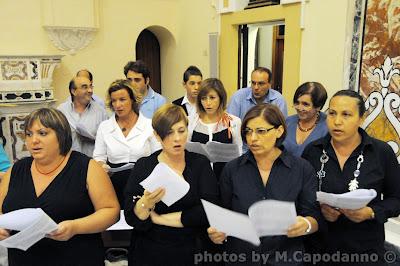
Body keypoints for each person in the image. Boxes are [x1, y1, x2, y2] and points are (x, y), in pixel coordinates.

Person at [0, 108, 119, 266]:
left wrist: (75, 227)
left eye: (42, 133)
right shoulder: (17, 169)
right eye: (29, 134)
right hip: (23, 259)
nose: (33, 140)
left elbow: (111, 211)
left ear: (61, 135)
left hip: (76, 257)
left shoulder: (87, 167)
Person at [208, 104, 321, 266]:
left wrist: (306, 224)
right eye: (248, 131)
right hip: (242, 258)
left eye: (261, 131)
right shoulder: (232, 169)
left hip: (285, 258)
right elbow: (224, 214)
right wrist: (218, 232)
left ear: (279, 131)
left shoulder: (302, 169)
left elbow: (314, 216)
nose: (252, 138)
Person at [302, 90, 400, 265]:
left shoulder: (381, 153)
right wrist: (320, 210)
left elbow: (396, 199)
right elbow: (300, 196)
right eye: (332, 113)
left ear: (361, 119)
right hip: (319, 249)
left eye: (346, 114)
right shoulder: (313, 151)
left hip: (364, 250)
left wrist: (371, 212)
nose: (337, 121)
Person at [124, 103, 219, 266]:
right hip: (152, 249)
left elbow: (210, 210)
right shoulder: (144, 166)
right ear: (157, 135)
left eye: (181, 131)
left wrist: (161, 219)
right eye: (169, 133)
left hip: (193, 247)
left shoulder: (199, 163)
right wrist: (146, 203)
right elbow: (132, 216)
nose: (177, 138)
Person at [93, 79, 161, 206]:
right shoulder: (105, 127)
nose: (118, 105)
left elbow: (158, 156)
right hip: (114, 185)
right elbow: (98, 156)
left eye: (122, 99)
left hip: (144, 184)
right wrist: (102, 165)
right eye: (114, 101)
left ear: (133, 100)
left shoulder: (149, 125)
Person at [188, 78, 242, 180]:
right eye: (203, 98)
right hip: (198, 177)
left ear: (221, 98)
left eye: (212, 98)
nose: (208, 103)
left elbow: (238, 151)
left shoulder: (234, 122)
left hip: (225, 178)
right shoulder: (191, 122)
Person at [58, 76, 108, 157]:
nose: (90, 90)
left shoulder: (100, 112)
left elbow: (107, 141)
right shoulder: (61, 111)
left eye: (91, 87)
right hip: (67, 161)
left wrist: (93, 139)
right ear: (73, 91)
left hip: (92, 162)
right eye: (85, 87)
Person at [283, 82, 328, 157]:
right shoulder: (288, 122)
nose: (300, 108)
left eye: (305, 104)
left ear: (318, 107)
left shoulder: (327, 126)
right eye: (297, 103)